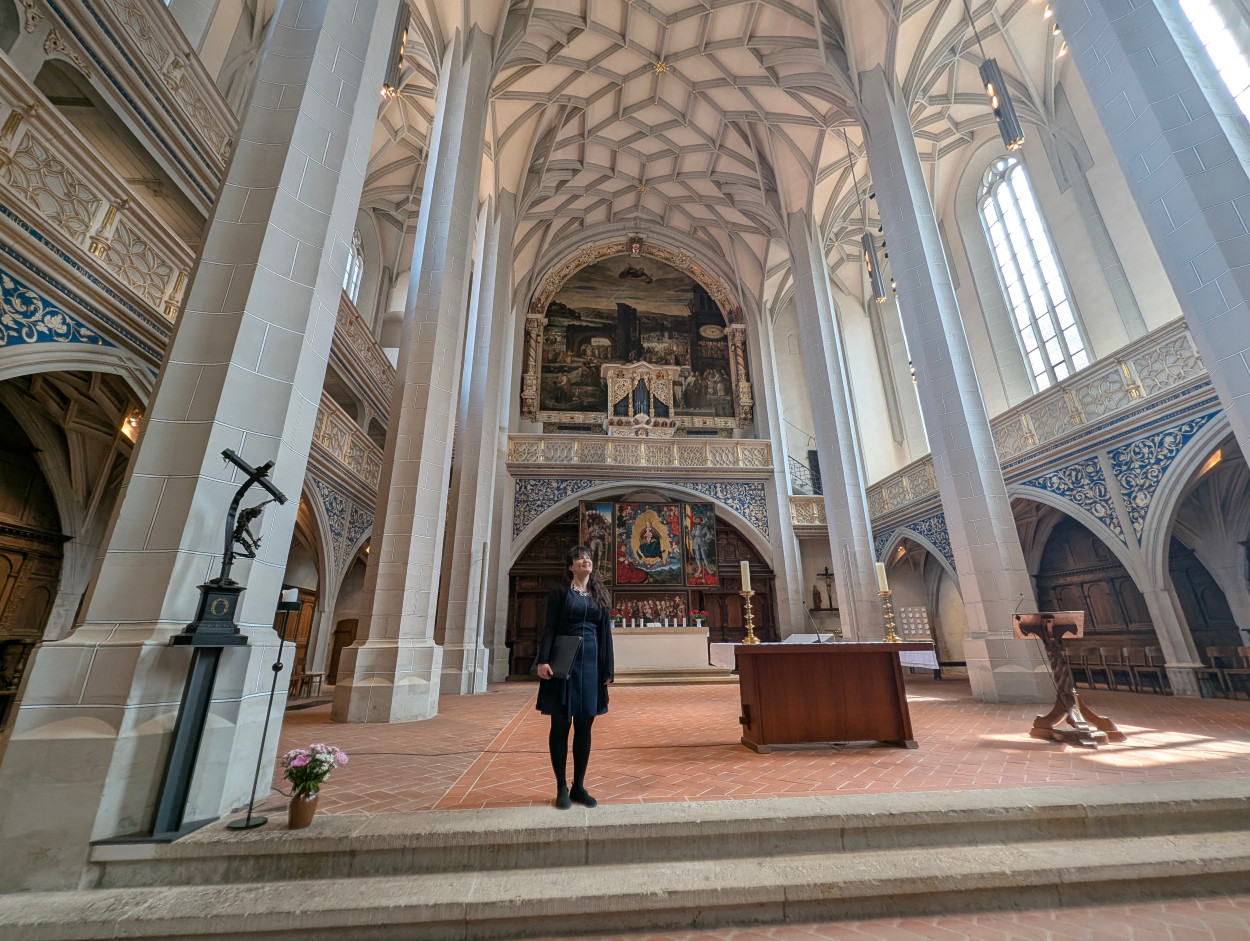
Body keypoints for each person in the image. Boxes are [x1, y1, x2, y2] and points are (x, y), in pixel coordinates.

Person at [535, 546, 615, 809]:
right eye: (580, 557)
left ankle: (579, 786)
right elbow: (549, 628)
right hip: (564, 661)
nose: (585, 560)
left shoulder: (600, 594)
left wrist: (608, 669)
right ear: (570, 566)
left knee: (584, 725)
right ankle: (561, 786)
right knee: (560, 724)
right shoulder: (560, 593)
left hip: (591, 664)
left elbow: (605, 634)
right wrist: (543, 660)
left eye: (588, 557)